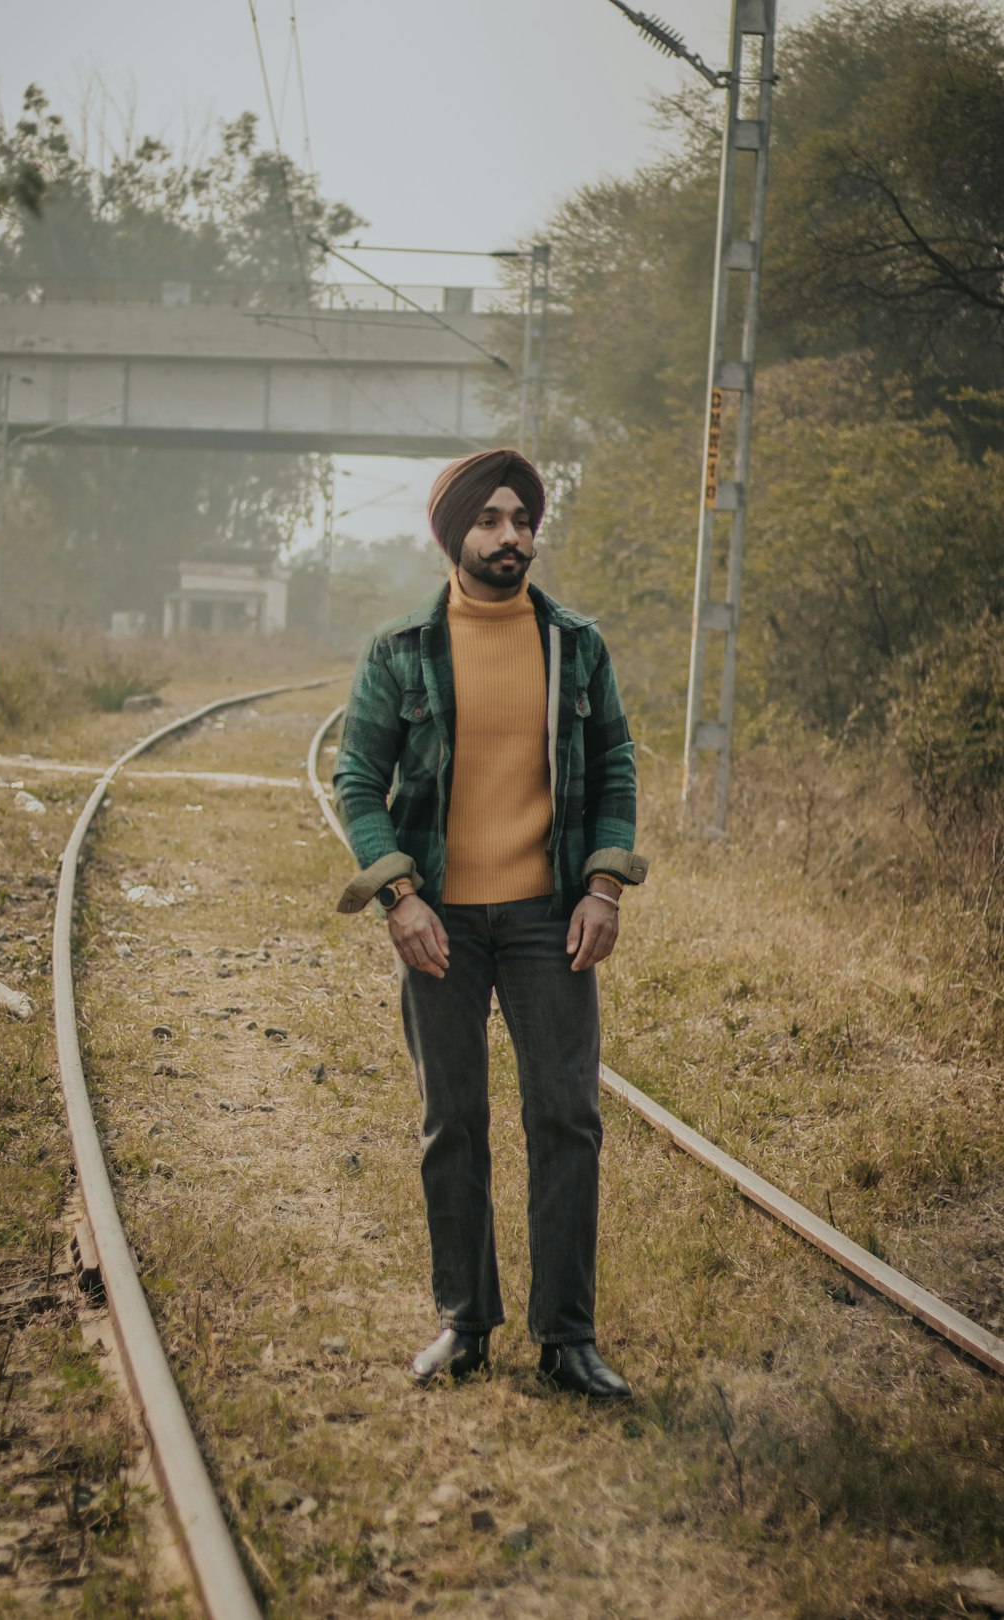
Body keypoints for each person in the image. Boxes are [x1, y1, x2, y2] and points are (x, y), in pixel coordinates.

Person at [333, 447, 647, 1399]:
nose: (510, 536)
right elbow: (358, 781)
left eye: (521, 519)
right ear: (454, 534)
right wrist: (402, 897)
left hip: (550, 919)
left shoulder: (577, 645)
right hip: (442, 926)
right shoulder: (399, 651)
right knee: (452, 1124)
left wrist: (603, 887)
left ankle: (568, 1339)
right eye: (489, 520)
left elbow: (617, 770)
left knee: (567, 1118)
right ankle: (463, 1325)